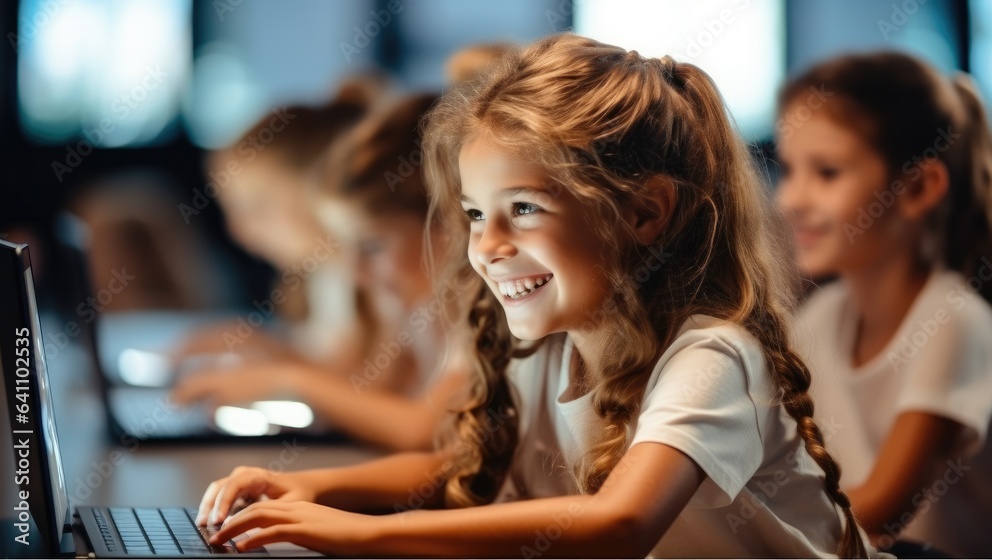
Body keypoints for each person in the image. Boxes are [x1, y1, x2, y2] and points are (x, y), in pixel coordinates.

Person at [192, 34, 872, 557]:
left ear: (644, 214)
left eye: (522, 209)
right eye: (475, 214)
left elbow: (620, 524)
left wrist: (359, 536)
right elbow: (461, 464)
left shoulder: (713, 356)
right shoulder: (546, 346)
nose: (485, 247)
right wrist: (313, 490)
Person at [777, 52, 992, 557]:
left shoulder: (957, 322)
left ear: (918, 188)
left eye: (827, 172)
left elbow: (882, 510)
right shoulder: (819, 318)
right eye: (790, 170)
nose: (790, 198)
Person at [173, 94, 471, 451]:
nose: (357, 272)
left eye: (259, 206)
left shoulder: (462, 306)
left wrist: (284, 376)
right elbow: (373, 395)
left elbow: (422, 430)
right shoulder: (408, 295)